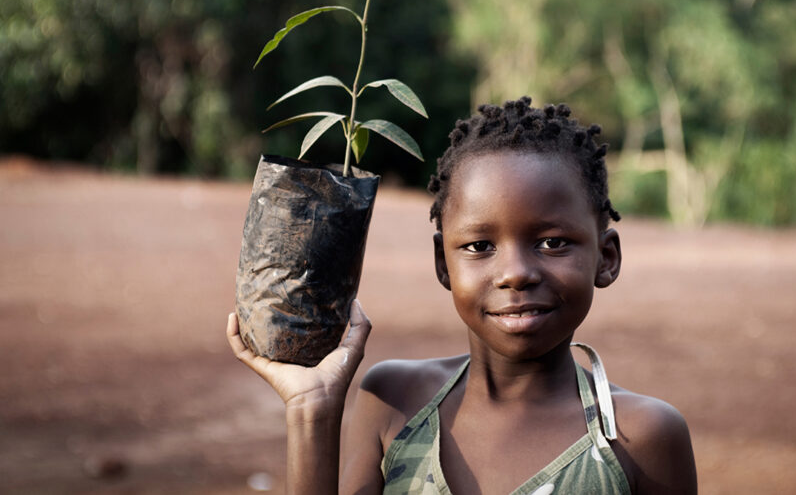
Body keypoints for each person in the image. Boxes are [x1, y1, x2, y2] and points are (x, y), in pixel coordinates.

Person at [227, 96, 697, 494]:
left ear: (606, 258)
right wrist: (312, 411)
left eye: (552, 242)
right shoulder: (393, 402)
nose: (515, 273)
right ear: (442, 264)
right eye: (479, 246)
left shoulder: (640, 438)